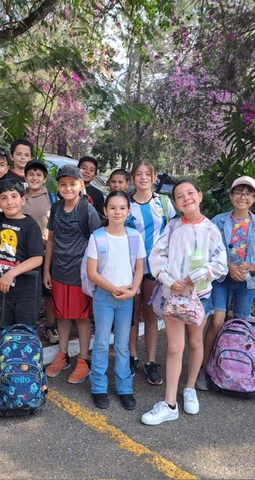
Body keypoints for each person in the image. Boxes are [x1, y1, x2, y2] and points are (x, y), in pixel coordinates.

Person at [141, 179, 227, 425]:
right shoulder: (173, 227)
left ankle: (189, 388)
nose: (186, 198)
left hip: (200, 297)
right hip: (173, 297)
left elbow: (220, 263)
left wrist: (196, 276)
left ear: (200, 196)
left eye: (190, 193)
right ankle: (170, 403)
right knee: (174, 347)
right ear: (176, 203)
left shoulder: (211, 229)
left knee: (195, 341)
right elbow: (157, 256)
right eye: (180, 196)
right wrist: (169, 280)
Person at [197, 176, 255, 390]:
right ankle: (204, 367)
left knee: (240, 324)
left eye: (248, 194)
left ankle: (234, 369)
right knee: (217, 321)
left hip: (247, 282)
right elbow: (209, 249)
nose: (243, 197)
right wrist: (229, 266)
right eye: (239, 192)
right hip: (221, 279)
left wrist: (253, 265)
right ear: (231, 196)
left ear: (254, 198)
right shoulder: (218, 222)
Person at [86, 191, 145, 410]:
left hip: (127, 298)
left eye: (122, 208)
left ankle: (124, 387)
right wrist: (113, 289)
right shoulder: (97, 237)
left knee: (122, 344)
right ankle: (98, 387)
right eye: (112, 208)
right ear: (105, 211)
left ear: (128, 212)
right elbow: (92, 272)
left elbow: (140, 268)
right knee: (102, 342)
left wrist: (133, 291)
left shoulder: (135, 236)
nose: (117, 212)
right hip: (104, 297)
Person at [43, 164, 101, 384]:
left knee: (82, 317)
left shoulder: (87, 210)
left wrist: (95, 273)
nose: (68, 188)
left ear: (81, 185)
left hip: (81, 275)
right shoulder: (56, 208)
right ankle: (63, 355)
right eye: (63, 184)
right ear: (58, 187)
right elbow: (51, 240)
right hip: (59, 271)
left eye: (72, 184)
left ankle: (83, 360)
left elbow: (99, 243)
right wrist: (47, 270)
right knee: (62, 315)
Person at [126, 161, 176, 386]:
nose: (143, 177)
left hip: (156, 269)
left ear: (154, 177)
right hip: (130, 268)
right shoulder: (126, 203)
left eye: (148, 174)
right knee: (132, 315)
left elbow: (173, 231)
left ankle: (151, 361)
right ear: (133, 178)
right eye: (139, 174)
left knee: (151, 315)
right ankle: (132, 357)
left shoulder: (163, 202)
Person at [0, 179, 45, 326]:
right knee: (6, 330)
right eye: (4, 198)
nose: (9, 202)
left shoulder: (30, 225)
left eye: (14, 196)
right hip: (5, 291)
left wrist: (11, 274)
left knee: (24, 331)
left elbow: (37, 258)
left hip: (27, 292)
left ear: (23, 200)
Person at [23, 159, 59, 343]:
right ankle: (29, 327)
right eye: (31, 174)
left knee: (47, 292)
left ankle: (51, 327)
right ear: (25, 177)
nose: (35, 178)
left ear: (45, 179)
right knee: (28, 292)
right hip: (24, 254)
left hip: (46, 253)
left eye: (39, 175)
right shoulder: (19, 197)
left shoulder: (53, 199)